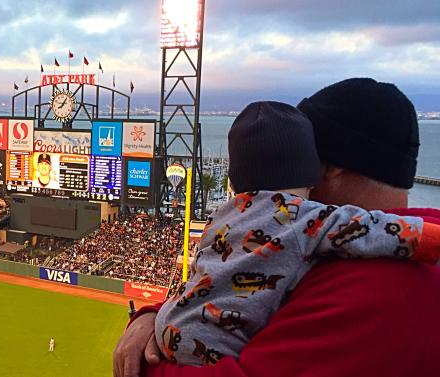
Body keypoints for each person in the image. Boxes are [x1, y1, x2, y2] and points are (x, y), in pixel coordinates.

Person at [113, 78, 440, 377]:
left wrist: (144, 366)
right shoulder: (356, 251)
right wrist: (149, 317)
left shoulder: (380, 286)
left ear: (328, 168)